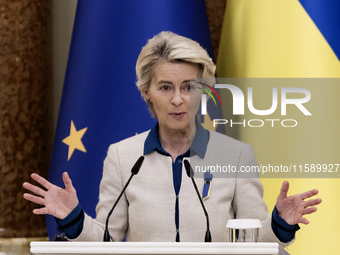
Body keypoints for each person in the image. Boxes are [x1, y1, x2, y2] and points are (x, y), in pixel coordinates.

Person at [23, 31, 321, 245]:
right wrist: (74, 216)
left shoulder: (236, 156)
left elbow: (254, 240)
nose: (178, 100)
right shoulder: (123, 157)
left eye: (188, 87)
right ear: (146, 94)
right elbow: (106, 239)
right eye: (165, 87)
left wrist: (281, 221)